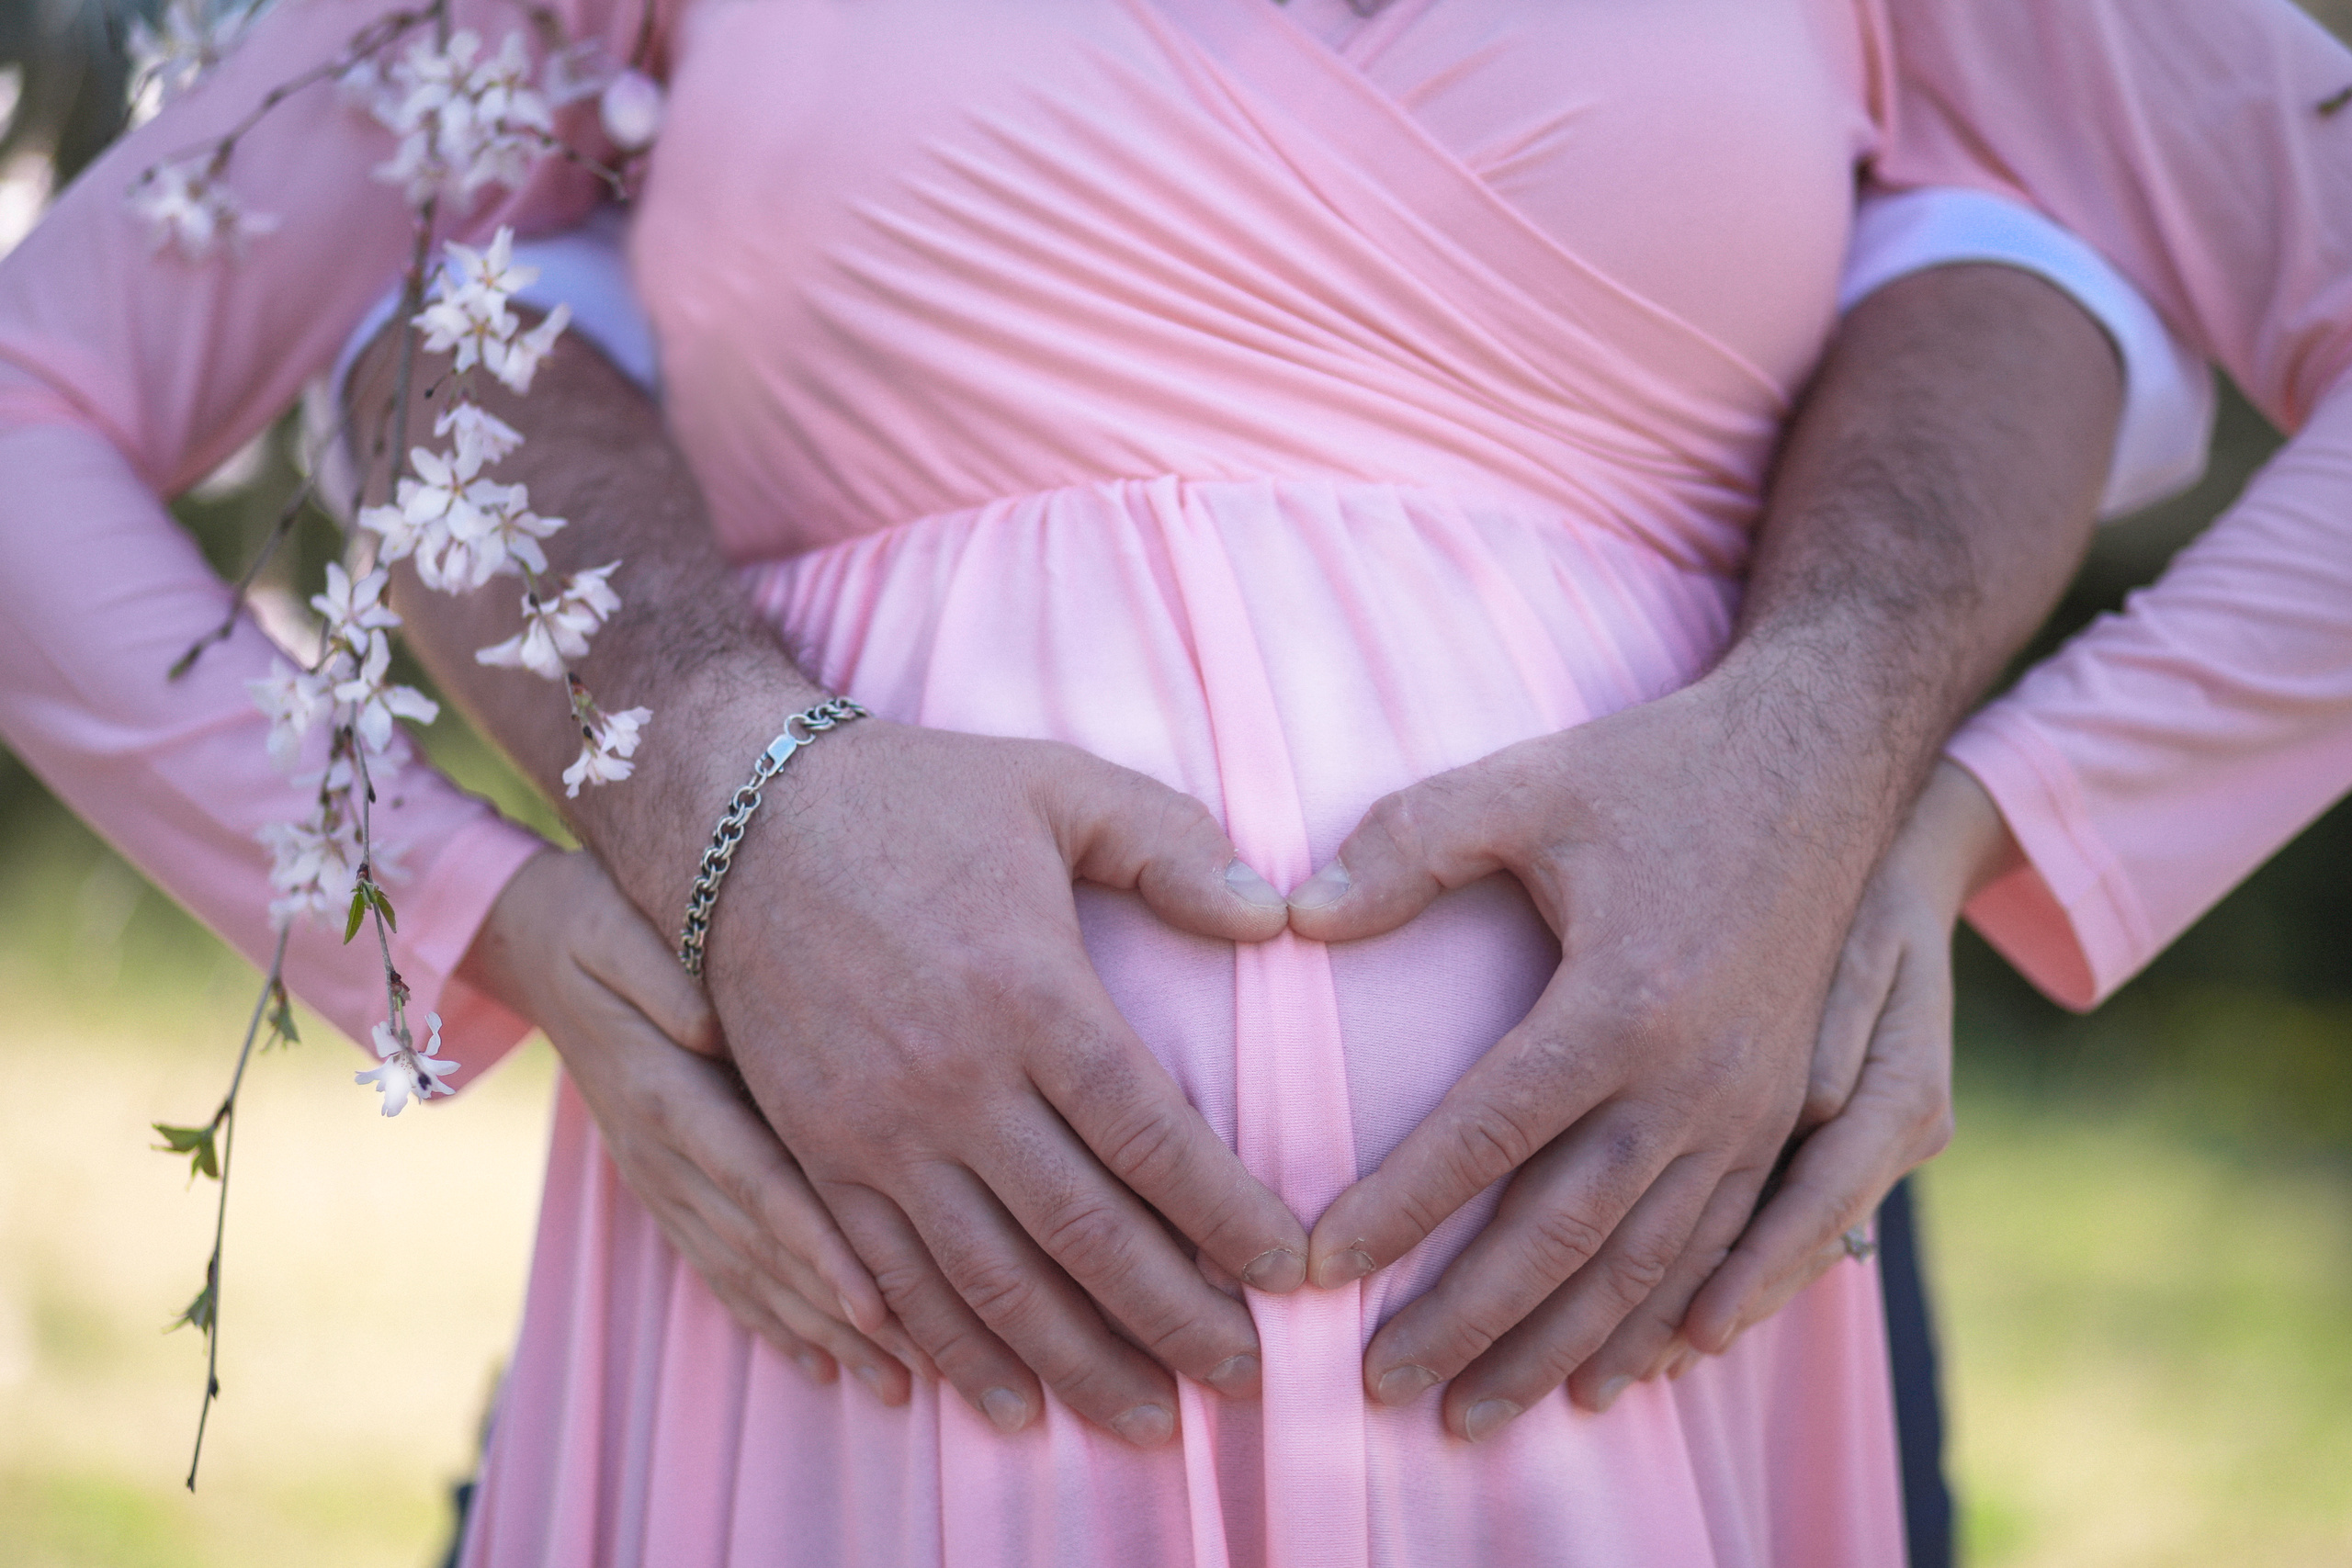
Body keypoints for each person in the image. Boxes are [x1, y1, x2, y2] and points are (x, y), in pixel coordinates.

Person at [0, 0, 2343, 1564]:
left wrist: (1964, 823)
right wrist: (490, 915)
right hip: (868, 1339)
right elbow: (46, 409)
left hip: (1639, 1330)